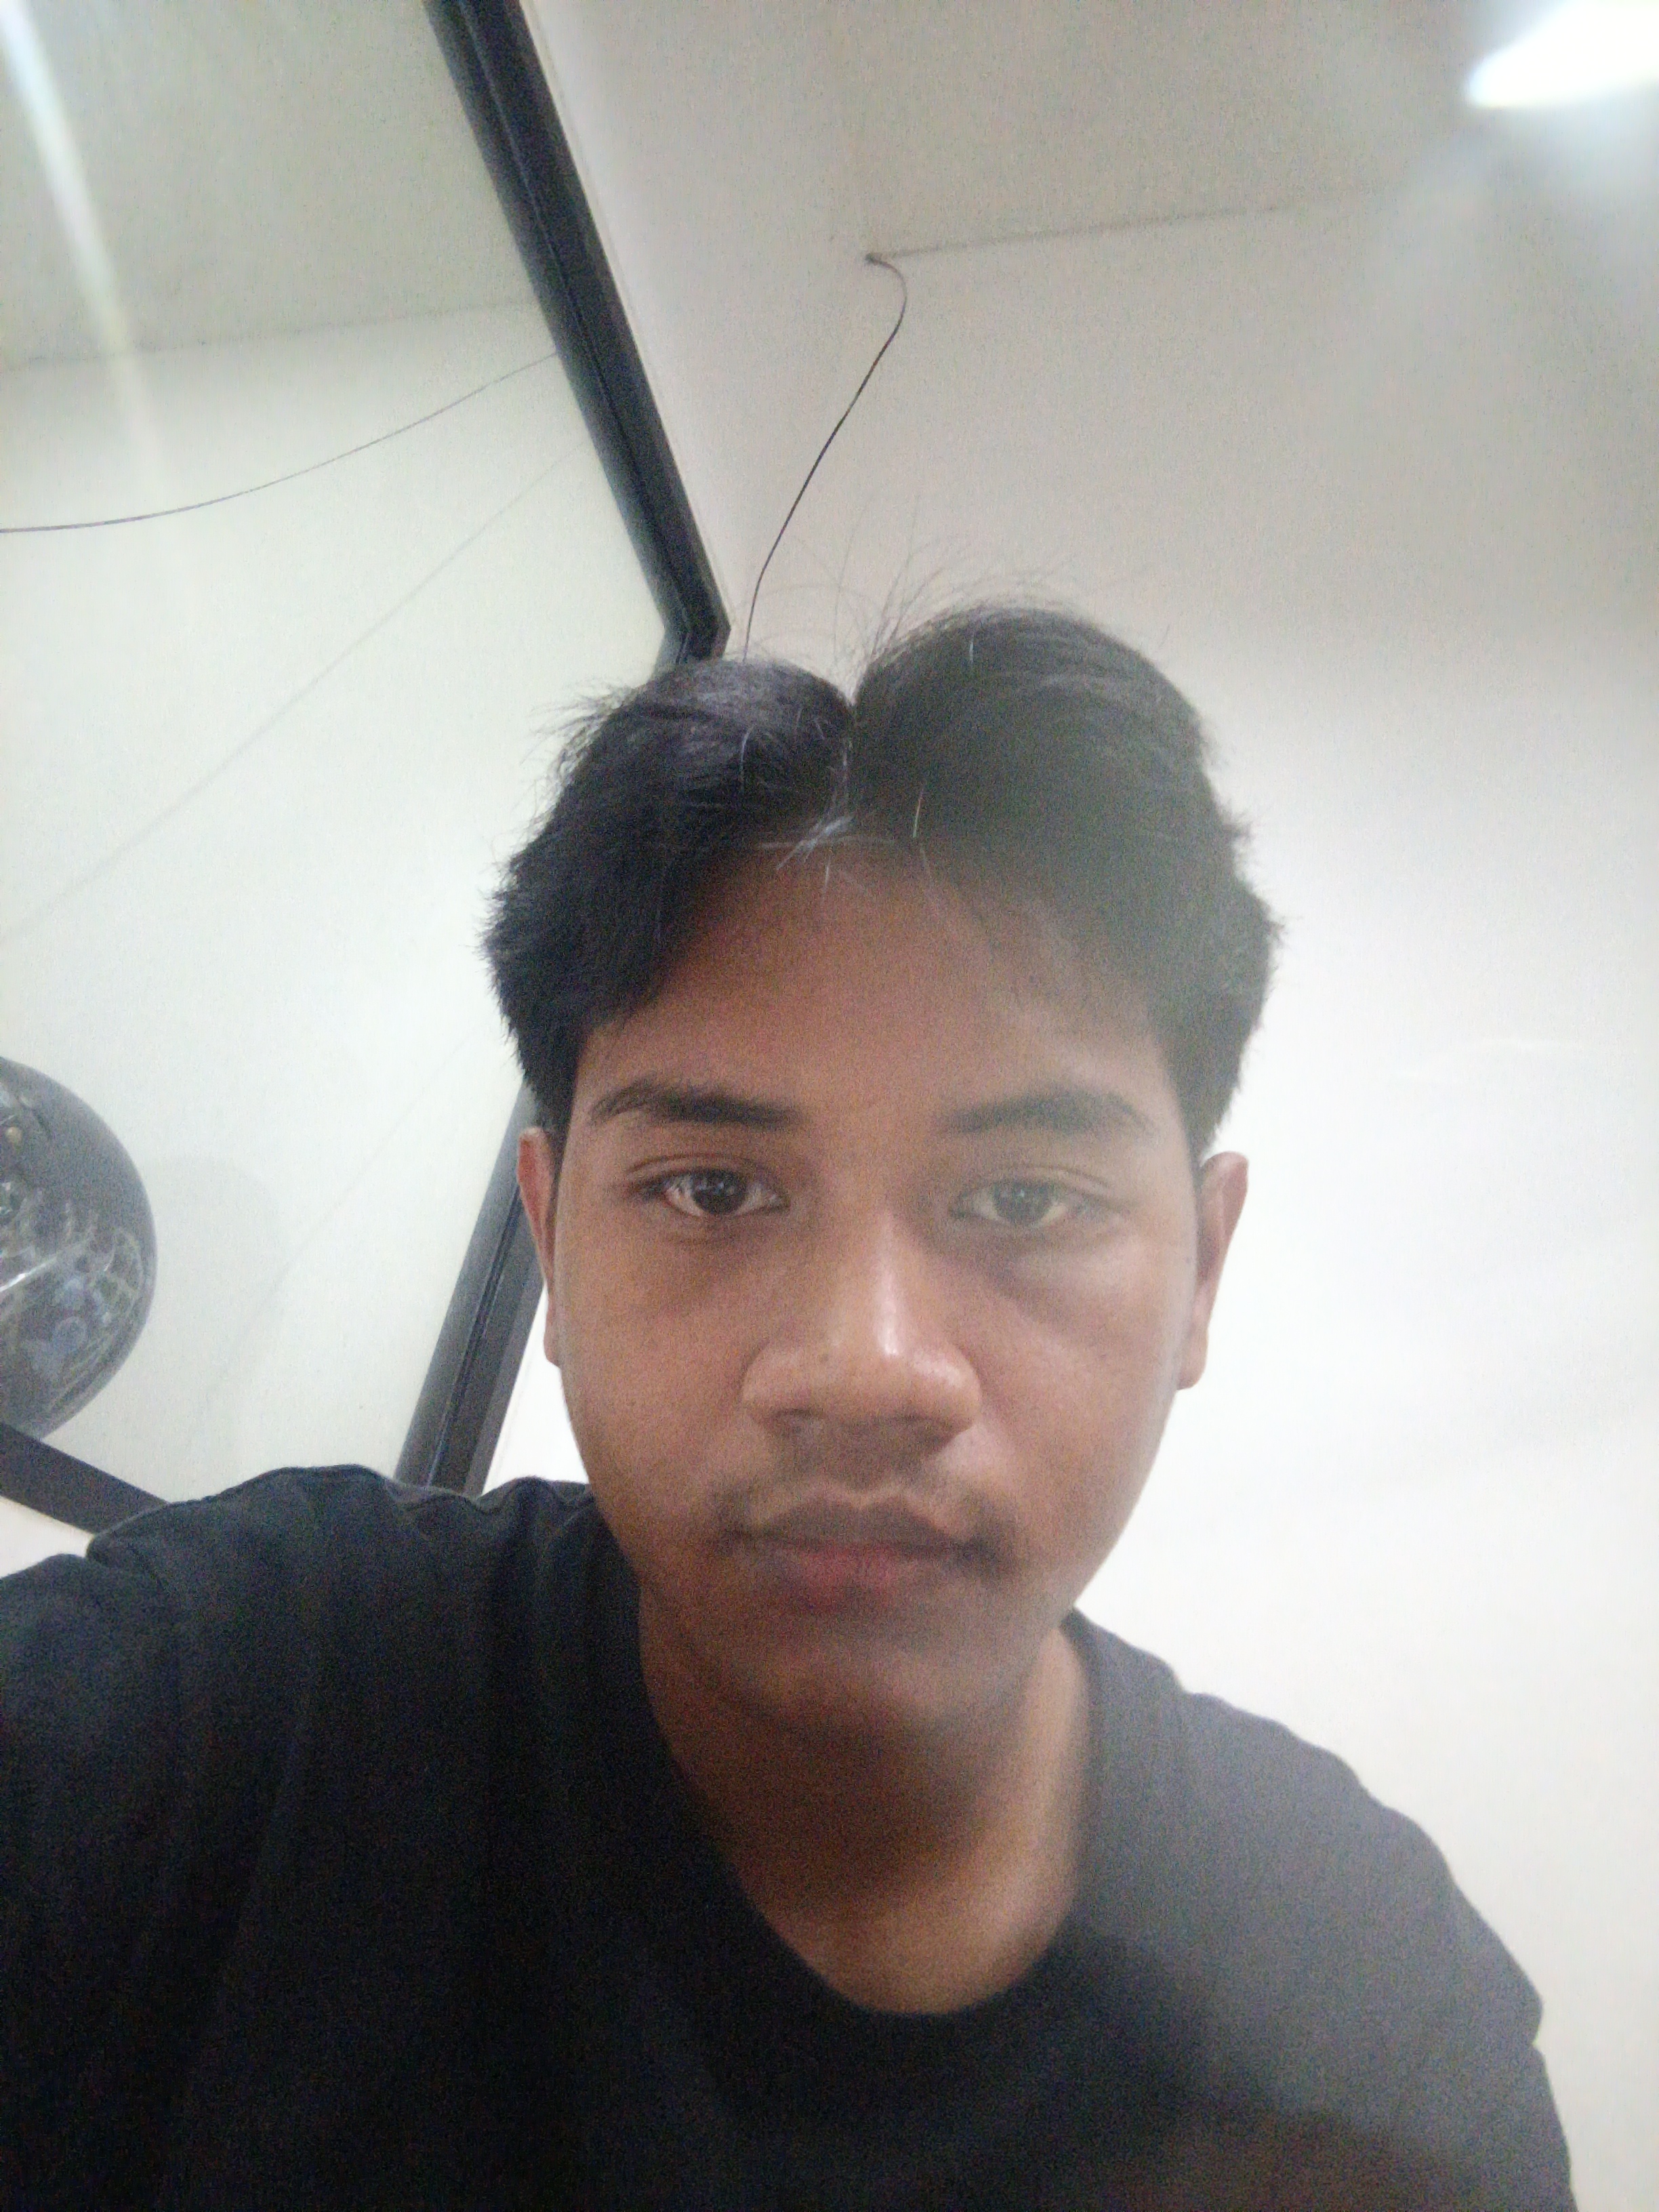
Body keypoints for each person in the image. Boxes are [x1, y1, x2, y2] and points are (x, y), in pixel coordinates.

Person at [0, 609, 1573, 2209]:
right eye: (712, 1188)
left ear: (1202, 1273)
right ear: (551, 1243)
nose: (866, 1371)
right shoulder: (241, 1713)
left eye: (1025, 1199)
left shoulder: (1371, 2007)